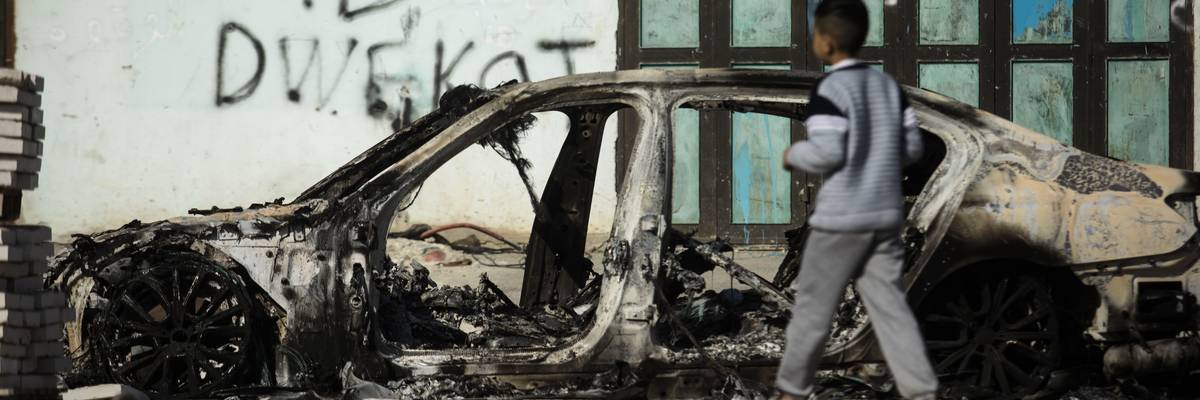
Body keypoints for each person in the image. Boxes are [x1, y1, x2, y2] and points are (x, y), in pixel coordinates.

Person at [776, 0, 938, 399]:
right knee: (891, 309)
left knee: (813, 309)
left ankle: (792, 389)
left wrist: (793, 155)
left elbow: (828, 153)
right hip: (885, 216)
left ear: (827, 43)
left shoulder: (829, 89)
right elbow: (913, 149)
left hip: (842, 220)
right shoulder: (889, 88)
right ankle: (922, 391)